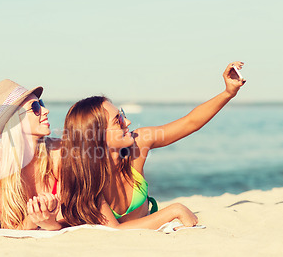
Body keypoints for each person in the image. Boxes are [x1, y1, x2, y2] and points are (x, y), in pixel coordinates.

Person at [60, 61, 246, 229]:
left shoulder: (138, 144)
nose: (129, 122)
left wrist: (228, 93)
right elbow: (114, 231)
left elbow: (190, 122)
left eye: (123, 114)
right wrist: (174, 210)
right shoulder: (89, 178)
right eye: (118, 120)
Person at [0, 79, 62, 230]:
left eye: (41, 103)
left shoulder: (58, 151)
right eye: (36, 107)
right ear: (15, 120)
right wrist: (39, 219)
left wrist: (49, 223)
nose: (46, 111)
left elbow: (70, 214)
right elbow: (10, 226)